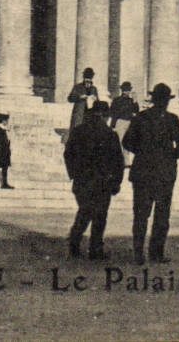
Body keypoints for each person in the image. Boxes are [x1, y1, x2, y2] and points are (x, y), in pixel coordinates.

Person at [123, 83, 179, 265]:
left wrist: (142, 153)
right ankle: (156, 254)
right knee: (161, 216)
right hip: (163, 175)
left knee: (141, 215)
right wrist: (170, 157)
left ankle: (139, 254)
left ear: (153, 99)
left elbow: (127, 142)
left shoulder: (141, 117)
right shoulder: (172, 119)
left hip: (143, 173)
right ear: (167, 101)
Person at [64, 100, 125, 260]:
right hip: (103, 182)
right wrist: (116, 182)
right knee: (100, 216)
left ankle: (75, 243)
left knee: (84, 211)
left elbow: (68, 154)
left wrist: (74, 174)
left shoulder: (78, 131)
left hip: (83, 181)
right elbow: (118, 162)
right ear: (106, 116)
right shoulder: (110, 134)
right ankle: (95, 249)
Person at [67, 67, 98, 136]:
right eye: (87, 78)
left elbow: (98, 103)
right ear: (84, 78)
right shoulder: (78, 87)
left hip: (90, 115)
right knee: (77, 132)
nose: (88, 82)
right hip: (79, 114)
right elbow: (70, 98)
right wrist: (79, 97)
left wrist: (95, 99)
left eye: (90, 78)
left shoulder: (94, 89)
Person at [108, 81, 139, 148]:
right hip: (121, 122)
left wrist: (135, 101)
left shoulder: (131, 100)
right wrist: (113, 125)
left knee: (125, 143)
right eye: (126, 90)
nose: (127, 92)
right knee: (121, 142)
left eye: (128, 90)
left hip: (127, 122)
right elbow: (113, 113)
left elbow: (136, 111)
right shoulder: (118, 100)